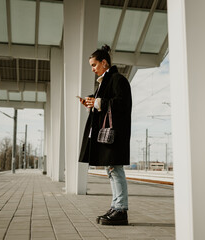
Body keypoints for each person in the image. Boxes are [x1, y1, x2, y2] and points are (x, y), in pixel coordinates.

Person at [78, 44, 132, 225]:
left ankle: (121, 209)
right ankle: (116, 206)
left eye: (94, 65)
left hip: (115, 136)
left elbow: (122, 104)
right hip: (110, 136)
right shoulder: (105, 83)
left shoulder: (117, 80)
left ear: (104, 63)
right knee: (112, 171)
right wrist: (91, 103)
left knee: (115, 171)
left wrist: (98, 102)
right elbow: (104, 105)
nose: (93, 69)